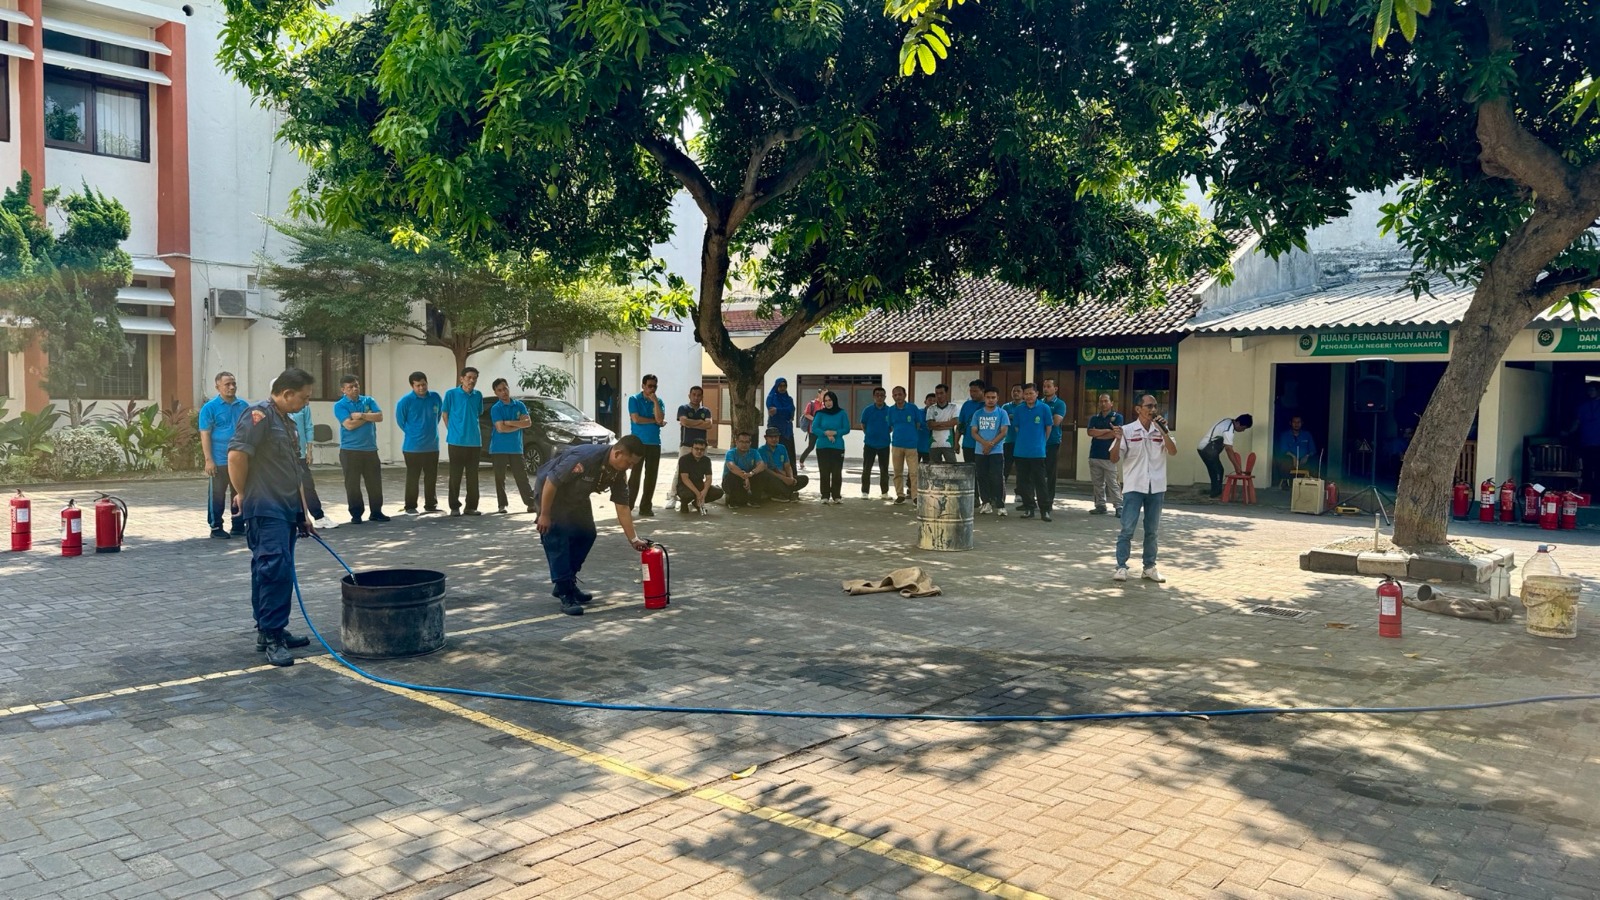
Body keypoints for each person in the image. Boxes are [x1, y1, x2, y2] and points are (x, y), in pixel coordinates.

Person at [228, 367, 319, 667]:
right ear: (287, 393)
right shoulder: (259, 416)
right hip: (265, 507)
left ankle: (272, 627)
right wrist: (242, 493)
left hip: (287, 509)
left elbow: (296, 472)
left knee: (277, 569)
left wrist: (303, 513)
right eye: (303, 398)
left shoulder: (287, 423)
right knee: (272, 569)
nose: (306, 403)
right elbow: (236, 456)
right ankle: (271, 637)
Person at [533, 435, 649, 615]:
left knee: (587, 534)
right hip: (553, 496)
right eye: (630, 462)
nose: (631, 467)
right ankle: (565, 593)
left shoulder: (618, 472)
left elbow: (623, 506)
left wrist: (634, 539)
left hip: (577, 497)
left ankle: (567, 581)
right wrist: (545, 514)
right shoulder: (585, 458)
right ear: (618, 454)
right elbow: (551, 482)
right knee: (558, 539)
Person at [1110, 393, 1177, 583]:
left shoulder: (1160, 429)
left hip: (1156, 487)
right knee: (1127, 529)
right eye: (1149, 406)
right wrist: (1116, 439)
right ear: (1138, 409)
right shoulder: (1127, 430)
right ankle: (1121, 566)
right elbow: (1114, 458)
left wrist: (1164, 431)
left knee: (1152, 530)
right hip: (1134, 486)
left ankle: (1149, 567)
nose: (1153, 410)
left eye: (1155, 406)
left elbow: (1173, 451)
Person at [198, 371, 250, 539]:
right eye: (227, 384)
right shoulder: (210, 408)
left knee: (239, 492)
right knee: (217, 495)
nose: (232, 387)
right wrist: (208, 460)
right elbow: (205, 434)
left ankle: (238, 524)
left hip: (240, 459)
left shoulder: (243, 405)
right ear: (217, 387)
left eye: (233, 383)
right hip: (219, 459)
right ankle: (216, 527)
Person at [332, 374, 388, 524]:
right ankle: (356, 514)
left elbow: (380, 417)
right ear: (343, 390)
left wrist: (361, 415)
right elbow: (348, 425)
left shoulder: (368, 400)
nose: (355, 389)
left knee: (374, 482)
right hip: (350, 450)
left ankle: (376, 512)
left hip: (370, 449)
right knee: (353, 484)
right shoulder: (340, 405)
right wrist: (369, 417)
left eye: (356, 385)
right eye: (350, 387)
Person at [394, 371, 443, 514]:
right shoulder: (405, 401)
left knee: (431, 477)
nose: (421, 388)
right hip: (412, 447)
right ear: (412, 386)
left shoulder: (435, 397)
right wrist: (414, 432)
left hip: (432, 446)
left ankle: (430, 505)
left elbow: (438, 416)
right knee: (413, 477)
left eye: (424, 384)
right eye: (418, 385)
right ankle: (410, 506)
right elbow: (401, 421)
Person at [488, 378, 536, 514]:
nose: (504, 392)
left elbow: (528, 423)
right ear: (496, 393)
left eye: (505, 388)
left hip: (516, 447)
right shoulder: (496, 408)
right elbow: (500, 428)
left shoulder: (519, 405)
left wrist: (509, 422)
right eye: (500, 390)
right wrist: (518, 423)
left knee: (522, 476)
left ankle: (530, 502)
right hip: (499, 448)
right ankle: (502, 504)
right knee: (500, 477)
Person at [442, 367, 484, 516]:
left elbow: (478, 413)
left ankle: (471, 506)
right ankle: (454, 506)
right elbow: (445, 414)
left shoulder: (478, 395)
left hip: (474, 441)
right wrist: (452, 430)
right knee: (455, 475)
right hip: (456, 441)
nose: (472, 381)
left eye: (475, 378)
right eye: (469, 377)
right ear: (462, 378)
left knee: (473, 476)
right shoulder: (451, 394)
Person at [287, 401, 335, 531]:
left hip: (300, 453)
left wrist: (309, 450)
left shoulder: (303, 406)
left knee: (307, 485)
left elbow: (308, 427)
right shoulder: (274, 408)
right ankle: (290, 520)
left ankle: (319, 517)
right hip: (283, 456)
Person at [1010, 383, 1053, 521]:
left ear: (1037, 394)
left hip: (1037, 452)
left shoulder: (1044, 408)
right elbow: (1017, 428)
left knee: (1040, 482)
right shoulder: (1019, 409)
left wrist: (1041, 442)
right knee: (1023, 482)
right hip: (1021, 451)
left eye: (1031, 393)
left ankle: (1045, 510)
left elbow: (1048, 428)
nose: (1028, 396)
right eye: (1026, 394)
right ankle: (1029, 507)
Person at [626, 374, 666, 517]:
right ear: (643, 386)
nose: (652, 389)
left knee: (651, 476)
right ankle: (628, 506)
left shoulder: (659, 401)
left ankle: (646, 506)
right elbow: (636, 419)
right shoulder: (634, 399)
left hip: (654, 443)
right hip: (638, 442)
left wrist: (654, 402)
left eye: (655, 386)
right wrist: (654, 420)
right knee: (635, 474)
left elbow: (660, 419)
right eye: (649, 386)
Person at [668, 385, 712, 511]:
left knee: (701, 469)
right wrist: (700, 422)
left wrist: (692, 422)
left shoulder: (706, 411)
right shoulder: (683, 408)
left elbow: (708, 425)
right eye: (694, 394)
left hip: (702, 446)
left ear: (702, 397)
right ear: (689, 395)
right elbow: (684, 422)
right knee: (679, 470)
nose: (696, 397)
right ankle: (672, 496)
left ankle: (699, 497)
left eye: (699, 395)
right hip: (687, 444)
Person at [970, 387, 1009, 516]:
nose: (991, 400)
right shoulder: (978, 413)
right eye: (988, 397)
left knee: (997, 476)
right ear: (984, 398)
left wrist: (991, 444)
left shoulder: (1002, 413)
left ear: (997, 398)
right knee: (982, 476)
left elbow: (1003, 432)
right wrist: (984, 444)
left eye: (993, 398)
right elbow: (974, 432)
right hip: (980, 450)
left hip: (996, 451)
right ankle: (985, 503)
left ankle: (1000, 504)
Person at [1084, 393, 1124, 516]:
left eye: (1106, 401)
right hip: (1095, 454)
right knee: (1097, 483)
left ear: (1111, 403)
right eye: (1101, 401)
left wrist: (1099, 434)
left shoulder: (1117, 417)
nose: (1103, 403)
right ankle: (1100, 505)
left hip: (1109, 455)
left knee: (1113, 483)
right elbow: (1090, 432)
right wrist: (1107, 430)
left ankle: (1119, 506)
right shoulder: (1094, 418)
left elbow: (1115, 434)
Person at [1197, 413, 1254, 498]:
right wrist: (1237, 467)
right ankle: (1215, 494)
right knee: (1217, 471)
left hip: (1205, 448)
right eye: (1243, 428)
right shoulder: (1228, 430)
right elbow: (1228, 449)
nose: (1243, 431)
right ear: (1238, 423)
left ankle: (1215, 492)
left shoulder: (1228, 421)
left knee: (1215, 470)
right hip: (1207, 449)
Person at [810, 391, 851, 504]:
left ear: (834, 400)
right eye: (826, 401)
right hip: (823, 446)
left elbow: (846, 428)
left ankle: (836, 495)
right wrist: (826, 433)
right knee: (824, 472)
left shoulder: (842, 413)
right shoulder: (820, 413)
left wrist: (835, 433)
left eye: (830, 400)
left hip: (837, 447)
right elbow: (815, 428)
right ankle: (825, 495)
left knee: (837, 472)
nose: (828, 403)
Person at [887, 386, 923, 504]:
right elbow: (890, 426)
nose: (898, 397)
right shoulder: (891, 410)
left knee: (914, 472)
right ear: (892, 397)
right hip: (897, 444)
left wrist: (911, 436)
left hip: (911, 445)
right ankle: (900, 495)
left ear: (905, 395)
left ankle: (915, 496)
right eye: (895, 395)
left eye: (900, 394)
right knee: (897, 472)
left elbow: (918, 424)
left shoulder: (912, 408)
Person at [758, 426, 810, 501]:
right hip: (773, 477)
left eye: (776, 437)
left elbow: (787, 466)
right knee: (770, 478)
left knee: (804, 479)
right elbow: (766, 470)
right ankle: (789, 494)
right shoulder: (761, 450)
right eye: (771, 437)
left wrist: (791, 478)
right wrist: (784, 479)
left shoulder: (782, 448)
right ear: (766, 438)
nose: (774, 439)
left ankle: (781, 493)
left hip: (783, 475)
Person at [859, 386, 892, 499]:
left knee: (884, 470)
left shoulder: (889, 410)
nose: (879, 397)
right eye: (877, 395)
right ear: (873, 397)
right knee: (867, 469)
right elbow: (863, 425)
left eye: (881, 395)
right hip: (870, 444)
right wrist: (869, 434)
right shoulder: (868, 410)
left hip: (884, 444)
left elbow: (891, 427)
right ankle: (865, 492)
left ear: (885, 397)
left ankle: (884, 493)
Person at [675, 438, 724, 513]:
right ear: (692, 449)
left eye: (702, 449)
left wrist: (704, 491)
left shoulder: (706, 460)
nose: (699, 451)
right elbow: (685, 478)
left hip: (699, 484)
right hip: (685, 486)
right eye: (696, 449)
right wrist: (698, 494)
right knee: (687, 494)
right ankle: (684, 503)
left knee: (718, 492)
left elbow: (709, 478)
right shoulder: (684, 459)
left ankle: (696, 503)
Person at [1040, 379, 1068, 504]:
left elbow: (1056, 421)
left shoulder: (1060, 404)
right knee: (1037, 472)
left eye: (1049, 386)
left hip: (1052, 442)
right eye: (1044, 386)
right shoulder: (1039, 402)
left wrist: (1039, 420)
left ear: (1055, 388)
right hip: (1038, 442)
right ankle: (1038, 498)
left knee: (1050, 473)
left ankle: (1049, 500)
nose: (1046, 389)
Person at [722, 431, 768, 508]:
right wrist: (745, 476)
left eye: (747, 442)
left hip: (748, 478)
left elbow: (761, 465)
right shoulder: (730, 453)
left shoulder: (754, 452)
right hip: (732, 480)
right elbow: (731, 467)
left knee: (762, 473)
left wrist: (751, 473)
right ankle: (732, 501)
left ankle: (754, 500)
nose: (744, 444)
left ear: (750, 443)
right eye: (741, 442)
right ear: (736, 442)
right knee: (732, 476)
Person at [1276, 415, 1318, 487]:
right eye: (1294, 422)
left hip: (1304, 460)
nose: (1296, 424)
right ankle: (1285, 481)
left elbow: (1313, 450)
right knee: (1284, 459)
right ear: (1290, 423)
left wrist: (1307, 456)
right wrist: (1293, 457)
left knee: (1314, 459)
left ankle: (1312, 483)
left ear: (1302, 423)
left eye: (1298, 422)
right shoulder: (1285, 435)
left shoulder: (1307, 435)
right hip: (1290, 460)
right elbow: (1283, 450)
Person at [1573, 383, 1600, 495]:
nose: (1590, 392)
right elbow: (1577, 422)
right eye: (1588, 390)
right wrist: (1567, 431)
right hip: (1587, 442)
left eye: (1592, 390)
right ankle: (1588, 493)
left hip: (1597, 442)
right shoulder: (1583, 406)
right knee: (1587, 468)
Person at [766, 377, 798, 469]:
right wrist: (784, 411)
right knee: (775, 454)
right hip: (775, 431)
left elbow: (791, 410)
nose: (782, 388)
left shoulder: (789, 399)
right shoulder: (771, 398)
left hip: (787, 431)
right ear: (776, 386)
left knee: (789, 454)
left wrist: (778, 410)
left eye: (784, 386)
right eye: (780, 386)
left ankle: (791, 477)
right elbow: (772, 411)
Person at [926, 384, 959, 464]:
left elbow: (955, 422)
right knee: (934, 469)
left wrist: (936, 424)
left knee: (952, 467)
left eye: (941, 393)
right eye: (937, 393)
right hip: (933, 444)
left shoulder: (953, 407)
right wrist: (948, 425)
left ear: (946, 393)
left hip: (949, 443)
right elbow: (930, 425)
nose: (939, 396)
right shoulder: (931, 408)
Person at [958, 380, 987, 464]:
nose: (972, 394)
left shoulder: (989, 405)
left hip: (983, 444)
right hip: (968, 444)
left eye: (975, 391)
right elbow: (960, 424)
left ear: (982, 391)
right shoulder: (966, 404)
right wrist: (956, 442)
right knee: (970, 470)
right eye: (971, 391)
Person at [797, 388, 824, 469]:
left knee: (822, 446)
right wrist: (815, 419)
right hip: (812, 430)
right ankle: (801, 460)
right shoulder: (811, 404)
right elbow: (806, 414)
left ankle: (823, 464)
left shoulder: (824, 404)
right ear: (819, 394)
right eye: (823, 394)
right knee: (811, 446)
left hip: (822, 429)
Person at [1001, 384, 1024, 481]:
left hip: (1022, 442)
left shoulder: (1026, 406)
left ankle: (1021, 492)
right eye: (1013, 391)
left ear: (1023, 393)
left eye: (1018, 391)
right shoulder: (1006, 406)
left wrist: (1013, 417)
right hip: (1008, 441)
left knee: (1022, 469)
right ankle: (1001, 492)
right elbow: (1002, 420)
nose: (1015, 393)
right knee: (1005, 468)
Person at [918, 392, 936, 465]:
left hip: (931, 447)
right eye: (930, 400)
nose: (932, 402)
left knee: (928, 471)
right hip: (917, 446)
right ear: (925, 402)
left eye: (934, 401)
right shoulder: (918, 412)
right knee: (913, 470)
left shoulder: (938, 414)